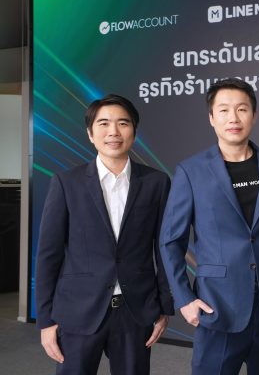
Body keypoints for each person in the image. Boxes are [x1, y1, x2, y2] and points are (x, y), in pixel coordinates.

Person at [160, 78, 259, 375]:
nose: (233, 118)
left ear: (254, 115)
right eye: (223, 110)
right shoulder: (192, 171)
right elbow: (171, 241)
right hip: (217, 305)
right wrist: (184, 299)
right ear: (212, 118)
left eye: (242, 109)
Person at [35, 94, 173, 375]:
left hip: (135, 311)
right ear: (90, 134)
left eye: (123, 123)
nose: (113, 132)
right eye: (104, 124)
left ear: (134, 131)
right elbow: (49, 255)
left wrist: (163, 307)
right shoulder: (66, 183)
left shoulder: (156, 182)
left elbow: (164, 249)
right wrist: (46, 320)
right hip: (79, 310)